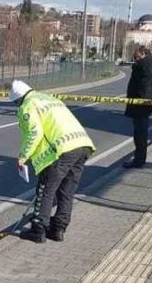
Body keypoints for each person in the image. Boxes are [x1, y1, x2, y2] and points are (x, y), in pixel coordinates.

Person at [12, 80, 96, 243]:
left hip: (61, 151)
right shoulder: (50, 99)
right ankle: (58, 229)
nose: (16, 105)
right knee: (66, 191)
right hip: (82, 146)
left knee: (46, 189)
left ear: (19, 98)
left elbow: (34, 133)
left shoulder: (28, 106)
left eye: (15, 102)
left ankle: (38, 229)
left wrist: (23, 157)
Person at [125, 45, 152, 169]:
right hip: (141, 105)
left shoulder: (145, 66)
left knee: (140, 135)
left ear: (143, 53)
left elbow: (149, 85)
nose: (135, 58)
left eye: (137, 55)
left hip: (141, 105)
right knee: (139, 134)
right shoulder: (147, 65)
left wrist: (141, 99)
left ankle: (138, 161)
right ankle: (139, 159)